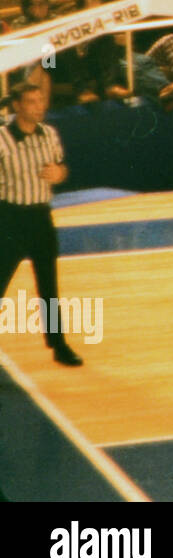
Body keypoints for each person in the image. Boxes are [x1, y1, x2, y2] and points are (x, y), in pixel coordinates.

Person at [0, 83, 83, 366]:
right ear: (17, 107)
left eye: (40, 100)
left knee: (49, 286)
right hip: (9, 219)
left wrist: (59, 173)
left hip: (40, 218)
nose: (39, 106)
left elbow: (62, 169)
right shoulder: (1, 139)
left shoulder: (50, 134)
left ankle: (58, 345)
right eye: (32, 102)